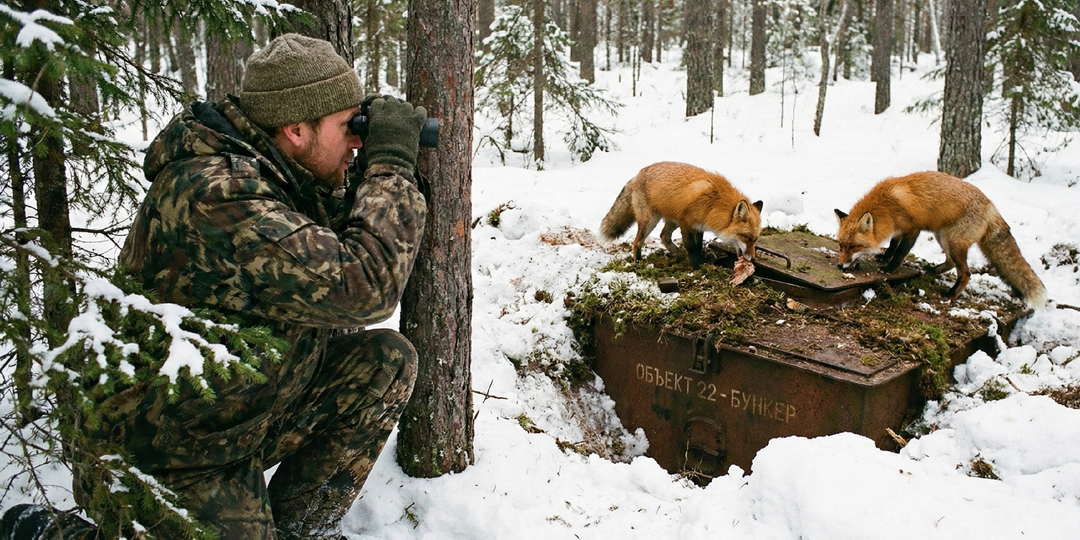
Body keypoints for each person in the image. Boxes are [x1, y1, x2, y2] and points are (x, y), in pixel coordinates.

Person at [1, 33, 428, 540]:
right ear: (295, 129)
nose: (357, 141)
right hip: (168, 452)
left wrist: (367, 159)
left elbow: (338, 235)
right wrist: (390, 165)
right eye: (347, 126)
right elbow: (363, 288)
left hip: (241, 415)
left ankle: (296, 532)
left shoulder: (279, 172)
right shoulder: (219, 194)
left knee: (385, 362)